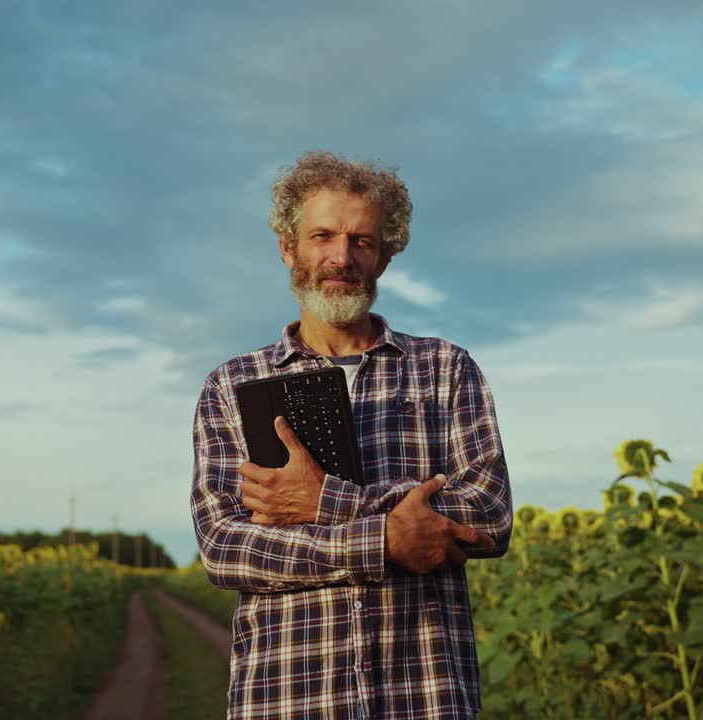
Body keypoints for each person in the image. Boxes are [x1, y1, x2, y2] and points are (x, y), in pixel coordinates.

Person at [191, 150, 513, 719]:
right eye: (322, 236)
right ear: (288, 247)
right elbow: (226, 547)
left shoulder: (445, 369)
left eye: (362, 241)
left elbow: (487, 516)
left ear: (385, 257)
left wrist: (323, 503)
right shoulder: (232, 387)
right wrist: (386, 539)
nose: (342, 257)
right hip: (289, 700)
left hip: (425, 700)